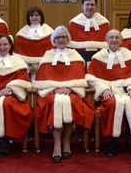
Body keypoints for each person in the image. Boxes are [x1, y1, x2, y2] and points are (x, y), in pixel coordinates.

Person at [32, 25, 95, 163]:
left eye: (64, 37)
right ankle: (56, 144)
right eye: (58, 37)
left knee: (71, 102)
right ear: (54, 40)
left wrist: (71, 88)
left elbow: (80, 78)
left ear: (68, 39)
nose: (61, 40)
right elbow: (42, 79)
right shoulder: (48, 55)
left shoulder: (75, 56)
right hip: (51, 92)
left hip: (72, 92)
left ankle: (66, 142)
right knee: (55, 102)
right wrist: (53, 89)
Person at [86, 29, 131, 157]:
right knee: (112, 103)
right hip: (108, 90)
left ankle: (130, 141)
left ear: (122, 41)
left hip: (127, 90)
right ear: (106, 40)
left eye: (117, 37)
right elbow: (91, 78)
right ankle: (113, 141)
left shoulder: (130, 56)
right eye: (111, 37)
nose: (114, 40)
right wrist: (103, 89)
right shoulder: (99, 57)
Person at [68, 0, 111, 65]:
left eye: (92, 5)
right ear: (82, 6)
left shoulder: (104, 24)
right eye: (87, 4)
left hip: (100, 61)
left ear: (95, 6)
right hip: (79, 61)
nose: (90, 7)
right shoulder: (73, 24)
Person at [14, 6, 54, 78]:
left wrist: (40, 66)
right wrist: (27, 66)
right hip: (26, 69)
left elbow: (52, 51)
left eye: (37, 15)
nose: (34, 17)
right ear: (28, 18)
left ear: (41, 17)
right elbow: (17, 54)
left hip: (45, 67)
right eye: (32, 15)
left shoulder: (49, 32)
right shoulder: (22, 33)